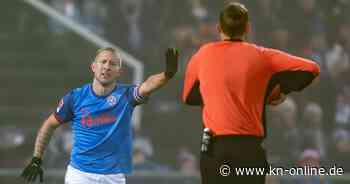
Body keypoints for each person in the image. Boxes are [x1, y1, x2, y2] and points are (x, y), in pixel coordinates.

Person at [182, 2, 320, 184]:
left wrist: (216, 94)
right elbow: (311, 68)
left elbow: (188, 97)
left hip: (213, 145)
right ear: (247, 28)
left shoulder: (202, 54)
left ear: (218, 28)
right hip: (248, 146)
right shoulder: (261, 55)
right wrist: (277, 91)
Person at [21, 47, 179, 184]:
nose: (107, 67)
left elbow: (148, 85)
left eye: (112, 64)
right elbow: (49, 125)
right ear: (93, 67)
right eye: (103, 62)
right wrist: (37, 158)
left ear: (119, 72)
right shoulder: (75, 97)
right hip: (80, 175)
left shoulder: (126, 95)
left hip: (114, 177)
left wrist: (167, 74)